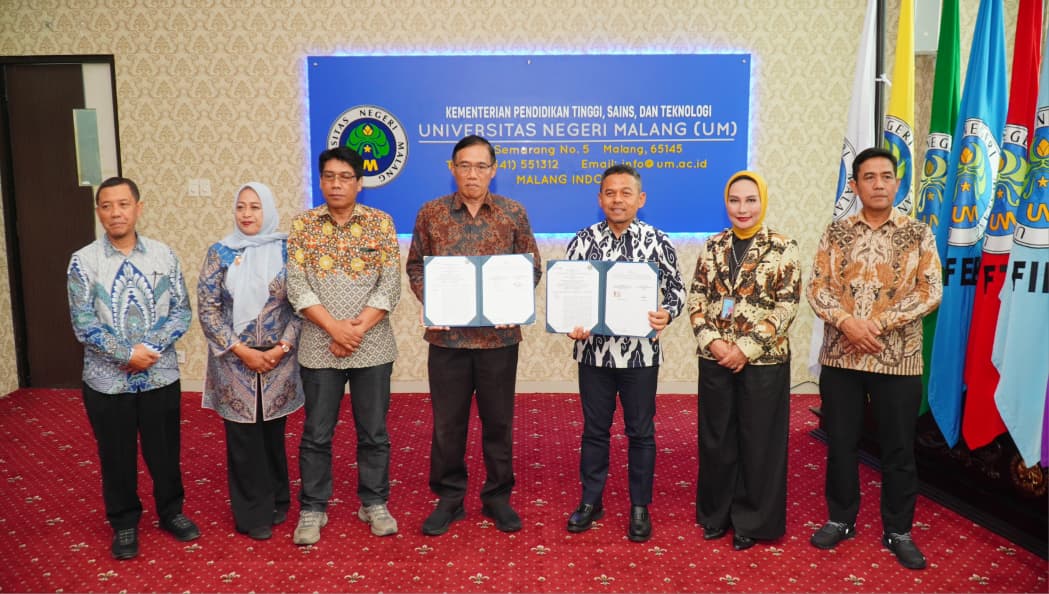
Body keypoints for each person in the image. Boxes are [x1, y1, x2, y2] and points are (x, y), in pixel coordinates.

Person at [807, 147, 942, 570]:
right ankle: (841, 518)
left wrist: (877, 326)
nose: (879, 184)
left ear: (897, 183)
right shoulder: (836, 232)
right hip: (841, 358)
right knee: (841, 444)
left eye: (886, 176)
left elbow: (930, 291)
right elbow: (817, 287)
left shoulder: (919, 233)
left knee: (899, 450)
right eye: (869, 177)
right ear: (855, 185)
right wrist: (848, 323)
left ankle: (898, 530)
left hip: (897, 360)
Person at [406, 134, 541, 536]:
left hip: (498, 341)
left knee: (499, 423)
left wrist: (513, 304)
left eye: (481, 166)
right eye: (464, 165)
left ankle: (498, 496)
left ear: (493, 171)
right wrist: (431, 301)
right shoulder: (431, 213)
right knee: (448, 426)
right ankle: (450, 497)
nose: (472, 174)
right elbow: (416, 266)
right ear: (452, 169)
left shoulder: (513, 213)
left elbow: (531, 267)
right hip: (447, 341)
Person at [66, 176, 199, 560]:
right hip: (107, 382)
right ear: (99, 212)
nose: (115, 213)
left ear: (138, 208)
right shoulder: (83, 262)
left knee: (165, 451)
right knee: (116, 455)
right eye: (107, 206)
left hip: (159, 375)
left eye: (123, 204)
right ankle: (124, 522)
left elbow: (181, 311)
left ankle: (171, 512)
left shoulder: (163, 255)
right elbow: (83, 322)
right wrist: (126, 354)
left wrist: (149, 349)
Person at [563, 164, 686, 542]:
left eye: (626, 192)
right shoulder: (582, 241)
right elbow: (569, 293)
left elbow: (677, 291)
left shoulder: (658, 241)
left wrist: (668, 313)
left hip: (640, 356)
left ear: (640, 199)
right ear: (600, 198)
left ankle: (639, 507)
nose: (618, 199)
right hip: (594, 355)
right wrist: (570, 321)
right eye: (610, 193)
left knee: (641, 432)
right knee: (595, 430)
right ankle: (591, 500)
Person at [286, 147, 401, 545]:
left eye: (345, 177)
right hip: (319, 346)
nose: (337, 184)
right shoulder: (303, 225)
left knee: (374, 432)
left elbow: (390, 285)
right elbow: (297, 286)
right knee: (316, 434)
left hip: (373, 346)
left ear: (359, 183)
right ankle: (313, 507)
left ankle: (374, 502)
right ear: (321, 181)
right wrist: (335, 329)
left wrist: (354, 332)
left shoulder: (380, 223)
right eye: (330, 177)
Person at [687, 170, 801, 551]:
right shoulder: (712, 245)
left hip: (763, 362)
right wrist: (714, 343)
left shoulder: (783, 247)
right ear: (726, 203)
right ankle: (716, 514)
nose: (742, 208)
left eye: (751, 200)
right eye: (735, 200)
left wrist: (745, 349)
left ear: (762, 202)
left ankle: (752, 520)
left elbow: (787, 306)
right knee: (717, 440)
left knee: (759, 443)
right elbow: (696, 299)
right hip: (715, 357)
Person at [197, 182, 304, 541]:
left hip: (279, 361)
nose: (246, 214)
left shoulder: (288, 251)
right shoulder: (221, 252)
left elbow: (301, 306)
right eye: (241, 207)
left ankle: (278, 499)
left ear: (268, 210)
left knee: (273, 434)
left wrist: (281, 347)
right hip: (234, 361)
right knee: (243, 439)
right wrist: (242, 351)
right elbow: (208, 310)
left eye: (255, 207)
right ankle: (252, 513)